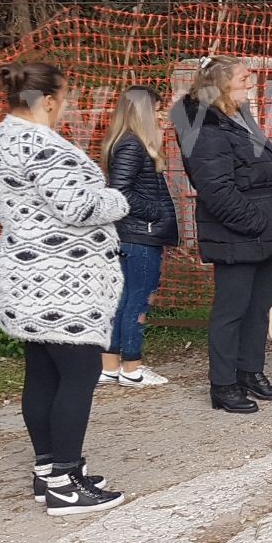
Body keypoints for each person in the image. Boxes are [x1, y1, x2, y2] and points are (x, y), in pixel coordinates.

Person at [0, 61, 130, 515]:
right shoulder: (40, 143)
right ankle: (66, 481)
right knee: (80, 371)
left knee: (44, 372)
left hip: (28, 274)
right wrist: (118, 197)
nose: (65, 106)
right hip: (60, 281)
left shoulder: (3, 135)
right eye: (64, 98)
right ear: (48, 101)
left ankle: (48, 469)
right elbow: (80, 206)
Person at [173, 56, 272, 414]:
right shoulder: (205, 128)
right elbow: (217, 190)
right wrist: (256, 224)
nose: (250, 83)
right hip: (238, 233)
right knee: (231, 311)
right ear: (222, 84)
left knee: (258, 307)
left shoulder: (238, 117)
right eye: (243, 78)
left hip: (259, 230)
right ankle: (223, 384)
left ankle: (250, 372)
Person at [98, 86, 179, 389]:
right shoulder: (133, 144)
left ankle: (110, 367)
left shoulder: (127, 142)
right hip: (138, 236)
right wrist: (155, 211)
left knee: (123, 301)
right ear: (143, 112)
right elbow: (120, 191)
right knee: (138, 301)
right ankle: (132, 368)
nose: (161, 115)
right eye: (157, 109)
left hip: (132, 235)